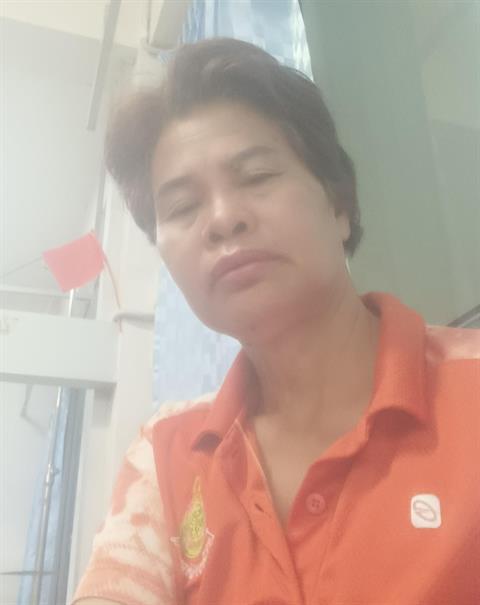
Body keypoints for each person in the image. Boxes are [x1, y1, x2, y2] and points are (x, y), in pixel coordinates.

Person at [72, 38, 480, 605]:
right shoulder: (168, 454)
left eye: (257, 176)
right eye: (183, 207)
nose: (223, 219)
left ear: (339, 205)